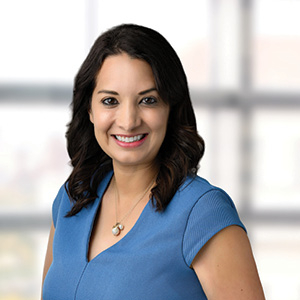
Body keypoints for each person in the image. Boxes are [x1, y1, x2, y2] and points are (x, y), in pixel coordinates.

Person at [41, 24, 265, 299]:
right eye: (110, 101)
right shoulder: (71, 198)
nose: (128, 121)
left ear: (171, 107)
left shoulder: (204, 213)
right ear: (89, 109)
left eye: (148, 100)